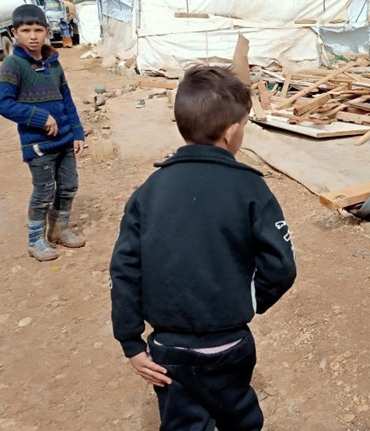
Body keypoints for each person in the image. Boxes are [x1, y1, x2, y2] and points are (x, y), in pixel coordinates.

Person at [110, 66, 297, 431]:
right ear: (231, 133)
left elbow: (124, 270)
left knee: (182, 422)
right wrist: (251, 299)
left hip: (168, 348)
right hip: (230, 343)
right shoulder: (250, 188)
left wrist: (131, 342)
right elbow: (281, 266)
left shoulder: (149, 191)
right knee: (239, 417)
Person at [0, 4, 86, 262]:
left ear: (47, 31)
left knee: (69, 186)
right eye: (25, 30)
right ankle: (36, 240)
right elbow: (3, 103)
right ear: (15, 33)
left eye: (38, 30)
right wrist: (40, 117)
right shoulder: (13, 65)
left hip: (65, 141)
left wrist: (77, 131)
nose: (32, 36)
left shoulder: (54, 63)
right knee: (44, 192)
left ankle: (59, 229)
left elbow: (67, 99)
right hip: (38, 145)